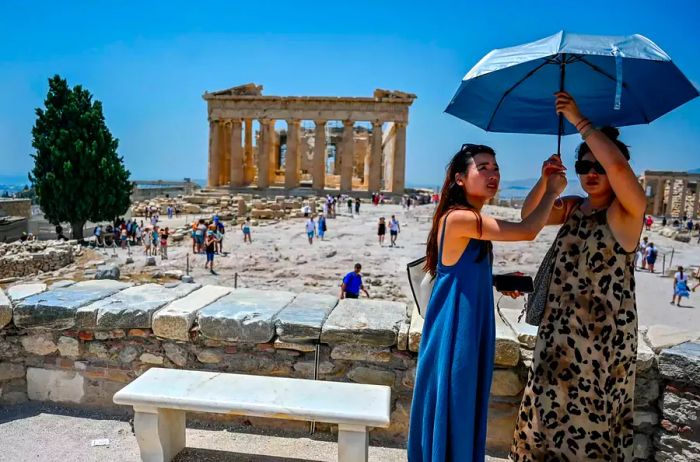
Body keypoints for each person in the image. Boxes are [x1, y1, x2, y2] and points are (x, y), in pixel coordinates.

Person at [408, 143, 566, 462]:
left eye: (495, 168)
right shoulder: (459, 218)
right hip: (455, 333)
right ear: (459, 179)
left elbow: (459, 272)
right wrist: (551, 190)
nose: (493, 174)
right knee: (457, 407)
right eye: (483, 168)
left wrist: (495, 281)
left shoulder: (468, 219)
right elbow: (527, 230)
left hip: (467, 326)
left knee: (462, 408)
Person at [511, 92, 646, 461]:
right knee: (546, 420)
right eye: (584, 167)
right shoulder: (573, 207)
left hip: (603, 344)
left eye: (598, 167)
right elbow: (530, 216)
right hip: (558, 336)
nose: (591, 173)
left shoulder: (626, 214)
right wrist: (546, 182)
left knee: (593, 430)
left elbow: (618, 169)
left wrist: (580, 122)